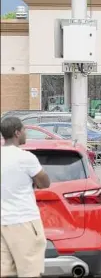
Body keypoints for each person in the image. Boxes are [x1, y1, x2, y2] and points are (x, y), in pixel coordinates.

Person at [1, 117, 51, 277]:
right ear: (17, 132)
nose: (25, 133)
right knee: (29, 272)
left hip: (2, 222)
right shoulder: (26, 158)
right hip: (23, 222)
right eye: (24, 130)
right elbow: (45, 183)